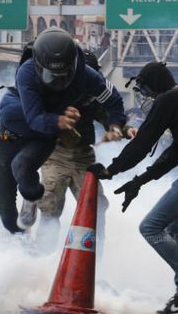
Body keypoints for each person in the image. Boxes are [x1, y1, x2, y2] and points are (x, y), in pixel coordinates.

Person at [89, 61, 178, 314]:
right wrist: (139, 181)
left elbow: (142, 143)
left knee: (150, 227)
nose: (147, 97)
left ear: (154, 86)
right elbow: (175, 154)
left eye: (146, 91)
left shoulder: (168, 100)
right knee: (174, 230)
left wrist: (111, 169)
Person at [0, 27, 126, 234]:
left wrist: (116, 126)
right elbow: (34, 117)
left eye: (64, 75)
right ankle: (25, 238)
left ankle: (81, 254)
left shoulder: (87, 75)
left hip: (54, 140)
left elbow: (113, 100)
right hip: (20, 131)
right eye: (52, 75)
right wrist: (59, 121)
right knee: (5, 194)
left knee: (23, 166)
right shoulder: (27, 73)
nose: (58, 81)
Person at [33, 49, 127, 253]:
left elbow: (111, 115)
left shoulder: (93, 96)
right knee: (49, 208)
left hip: (84, 158)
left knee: (96, 210)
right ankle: (40, 259)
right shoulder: (52, 90)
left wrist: (119, 128)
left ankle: (93, 264)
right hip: (54, 154)